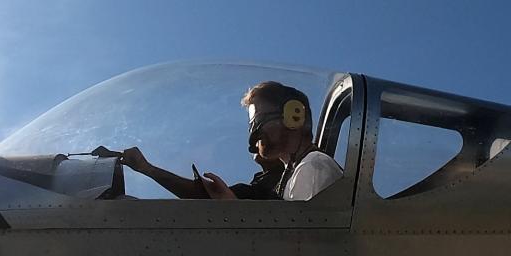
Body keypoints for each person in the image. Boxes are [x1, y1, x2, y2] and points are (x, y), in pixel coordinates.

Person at [110, 81, 343, 201]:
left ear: (295, 116)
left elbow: (301, 250)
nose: (255, 134)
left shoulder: (313, 168)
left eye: (260, 121)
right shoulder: (293, 174)